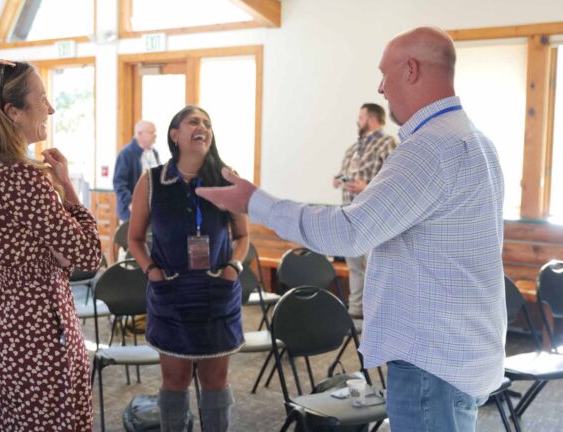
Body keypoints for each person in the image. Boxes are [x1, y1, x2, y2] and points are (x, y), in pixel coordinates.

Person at [197, 27, 506, 431]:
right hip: (459, 350)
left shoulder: (428, 148)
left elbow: (348, 232)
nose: (381, 87)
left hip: (431, 360)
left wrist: (255, 202)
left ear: (411, 69)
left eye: (385, 74)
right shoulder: (475, 139)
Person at [0, 60, 102, 431]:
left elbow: (51, 248)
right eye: (43, 98)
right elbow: (88, 255)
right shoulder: (21, 177)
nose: (50, 109)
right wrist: (68, 188)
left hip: (6, 317)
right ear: (13, 112)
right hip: (37, 324)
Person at [128, 106, 249, 432]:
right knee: (175, 379)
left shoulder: (227, 178)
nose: (203, 128)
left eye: (207, 123)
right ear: (175, 134)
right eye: (194, 122)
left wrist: (233, 268)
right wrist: (152, 271)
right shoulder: (152, 181)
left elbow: (243, 236)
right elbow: (135, 239)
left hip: (217, 291)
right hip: (171, 291)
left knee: (215, 379)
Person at [333, 103, 397, 318]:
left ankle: (376, 315)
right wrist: (339, 179)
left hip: (373, 217)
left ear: (371, 119)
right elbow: (345, 173)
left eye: (360, 117)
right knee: (355, 267)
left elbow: (393, 179)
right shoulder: (355, 147)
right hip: (349, 214)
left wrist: (365, 186)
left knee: (374, 267)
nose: (357, 121)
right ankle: (355, 312)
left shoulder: (387, 143)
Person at [114, 120, 160, 222]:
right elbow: (119, 183)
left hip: (152, 211)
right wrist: (130, 202)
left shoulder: (154, 153)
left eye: (155, 132)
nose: (155, 135)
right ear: (139, 133)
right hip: (132, 212)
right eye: (152, 132)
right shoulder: (126, 154)